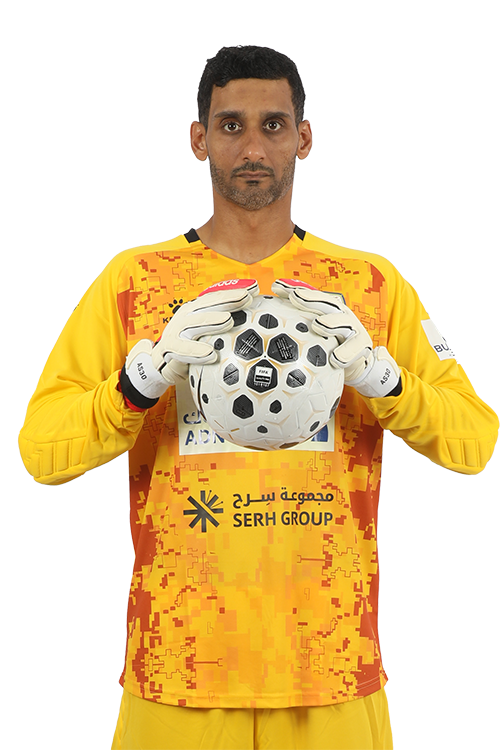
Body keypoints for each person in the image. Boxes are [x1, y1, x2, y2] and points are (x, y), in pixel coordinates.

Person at [18, 45, 498, 750]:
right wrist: (137, 385)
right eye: (231, 125)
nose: (252, 147)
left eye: (272, 125)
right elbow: (41, 450)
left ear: (303, 138)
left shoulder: (369, 284)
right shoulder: (134, 281)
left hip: (330, 667)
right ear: (198, 139)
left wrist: (381, 377)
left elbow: (475, 441)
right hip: (178, 667)